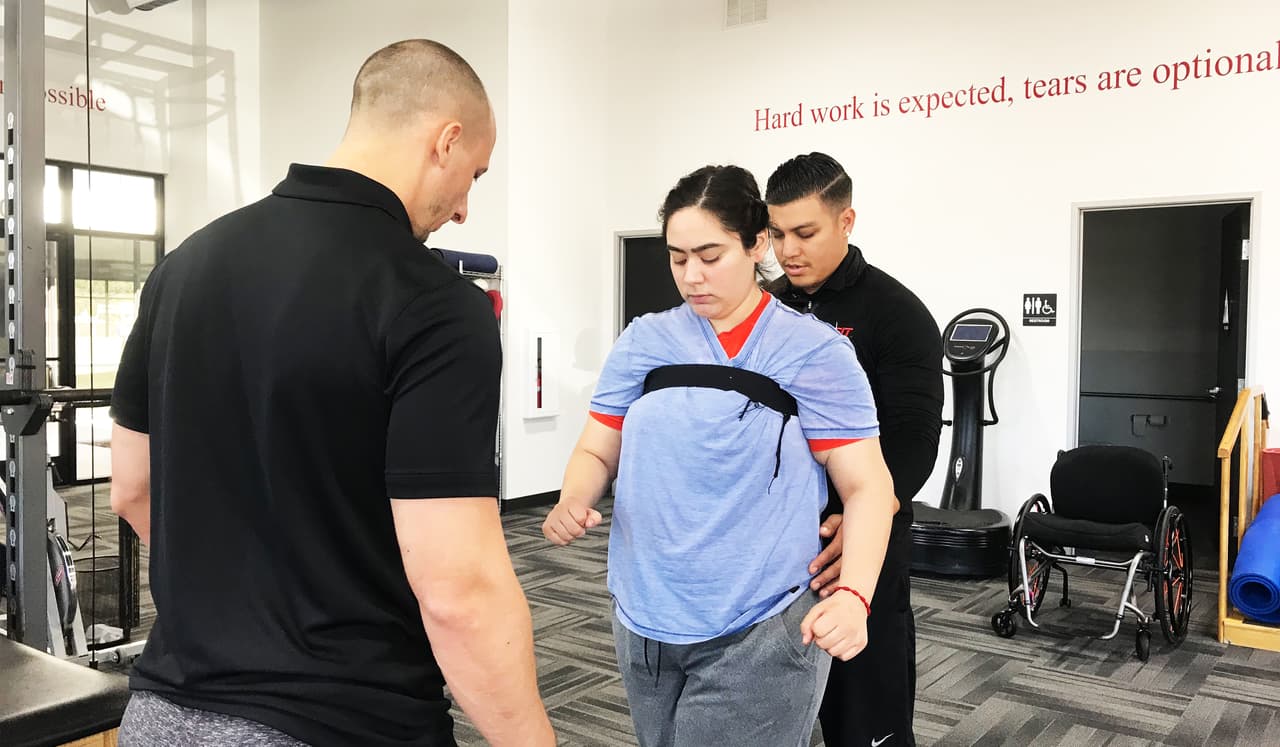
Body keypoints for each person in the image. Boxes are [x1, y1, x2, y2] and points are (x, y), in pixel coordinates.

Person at [109, 39, 554, 746]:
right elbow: (458, 590)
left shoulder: (182, 268)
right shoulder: (434, 304)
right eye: (473, 175)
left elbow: (132, 488)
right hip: (344, 721)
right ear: (446, 141)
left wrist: (233, 599)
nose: (465, 209)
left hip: (161, 715)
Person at [542, 165, 897, 746]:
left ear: (757, 244)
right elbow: (597, 449)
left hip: (759, 622)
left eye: (710, 256)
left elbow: (869, 487)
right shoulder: (643, 341)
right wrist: (572, 498)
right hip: (646, 618)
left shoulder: (813, 352)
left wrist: (856, 596)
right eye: (678, 258)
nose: (692, 276)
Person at [764, 152, 944, 747]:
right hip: (774, 542)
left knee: (863, 717)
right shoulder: (764, 308)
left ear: (846, 221)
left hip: (864, 539)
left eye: (805, 233)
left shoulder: (897, 314)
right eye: (777, 234)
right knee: (770, 708)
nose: (788, 250)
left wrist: (861, 517)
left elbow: (914, 443)